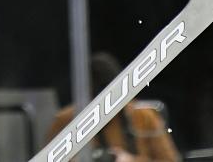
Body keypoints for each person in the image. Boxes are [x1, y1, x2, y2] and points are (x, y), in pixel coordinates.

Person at [47, 52, 180, 162]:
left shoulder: (142, 115)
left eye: (112, 98)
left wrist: (131, 160)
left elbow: (170, 159)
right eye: (98, 97)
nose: (106, 107)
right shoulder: (67, 121)